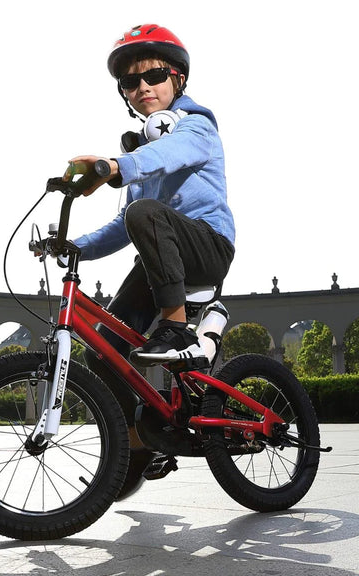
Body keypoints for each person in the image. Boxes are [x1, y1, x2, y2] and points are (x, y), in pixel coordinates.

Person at [67, 24, 236, 371]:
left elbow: (166, 156)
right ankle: (136, 427)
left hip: (209, 247)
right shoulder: (142, 152)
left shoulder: (196, 126)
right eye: (130, 82)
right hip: (160, 259)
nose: (142, 86)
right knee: (103, 354)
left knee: (145, 212)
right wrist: (76, 247)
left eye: (155, 75)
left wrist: (114, 167)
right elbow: (125, 223)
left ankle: (177, 330)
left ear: (178, 78)